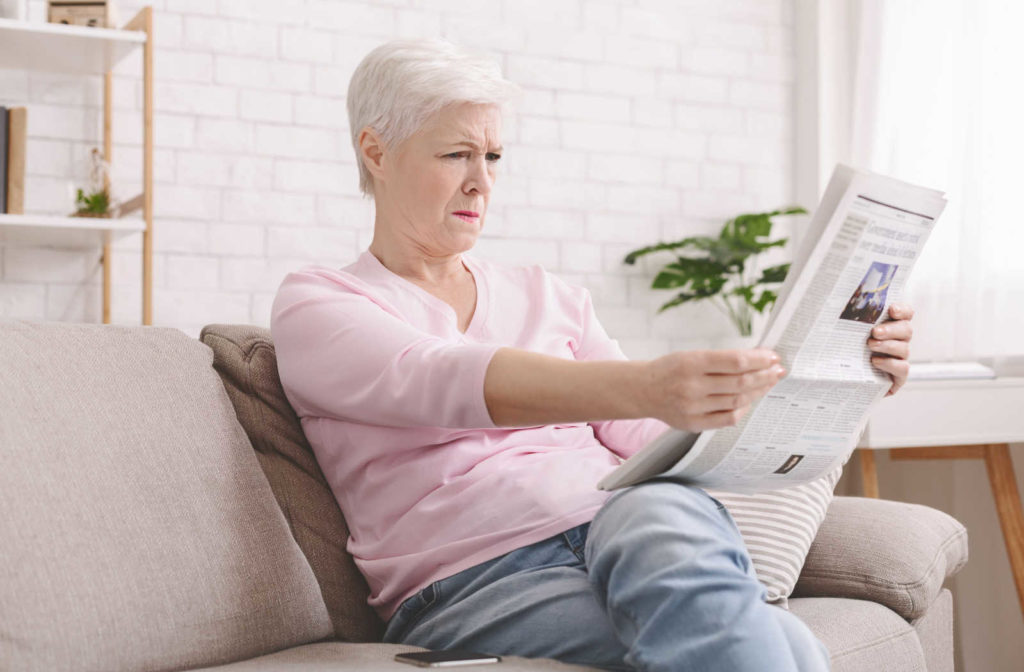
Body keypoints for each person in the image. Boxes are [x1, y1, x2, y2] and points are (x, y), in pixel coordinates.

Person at [270, 39, 915, 672]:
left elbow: (655, 440)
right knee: (779, 644)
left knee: (660, 508)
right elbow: (440, 377)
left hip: (629, 529)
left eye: (493, 155)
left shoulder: (547, 293)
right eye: (457, 153)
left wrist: (845, 370)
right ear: (376, 151)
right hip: (479, 582)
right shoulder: (320, 304)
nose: (482, 181)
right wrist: (643, 384)